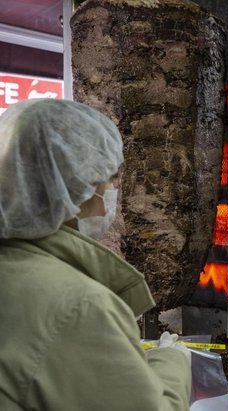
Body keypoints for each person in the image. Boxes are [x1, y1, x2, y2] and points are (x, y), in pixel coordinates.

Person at [0, 99, 192, 410]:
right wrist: (173, 362)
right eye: (111, 179)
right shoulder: (80, 306)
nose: (112, 194)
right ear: (75, 187)